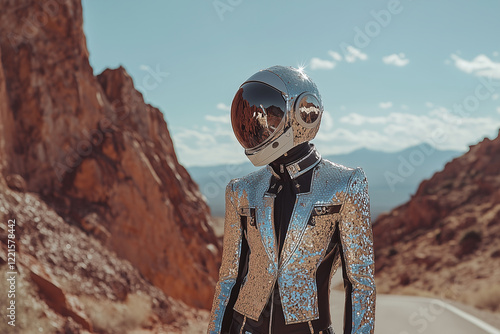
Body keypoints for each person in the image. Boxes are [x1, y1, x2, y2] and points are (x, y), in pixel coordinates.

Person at [207, 65, 376, 334]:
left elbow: (360, 282)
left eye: (271, 114)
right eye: (256, 114)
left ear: (302, 113)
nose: (260, 122)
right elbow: (229, 278)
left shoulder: (345, 184)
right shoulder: (240, 190)